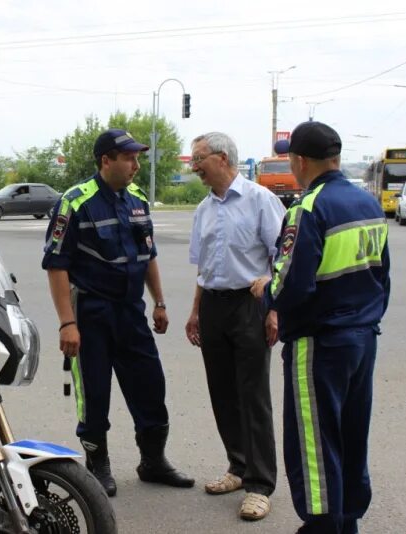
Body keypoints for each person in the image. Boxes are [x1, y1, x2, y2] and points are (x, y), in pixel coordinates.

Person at [251, 122, 390, 534]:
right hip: (362, 337)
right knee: (350, 435)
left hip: (319, 342)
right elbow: (384, 276)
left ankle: (322, 526)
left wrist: (265, 290)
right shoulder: (367, 204)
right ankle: (347, 521)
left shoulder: (308, 209)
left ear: (298, 160)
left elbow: (292, 284)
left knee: (314, 441)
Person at [42, 128, 194, 497]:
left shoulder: (138, 199)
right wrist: (67, 323)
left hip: (131, 313)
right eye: (128, 158)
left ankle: (153, 461)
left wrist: (158, 301)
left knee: (151, 388)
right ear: (105, 160)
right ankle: (98, 464)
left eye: (137, 158)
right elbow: (56, 265)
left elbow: (149, 255)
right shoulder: (75, 202)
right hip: (90, 315)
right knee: (94, 395)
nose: (135, 166)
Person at [185, 132, 284, 520]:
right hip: (213, 305)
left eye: (198, 159)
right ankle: (238, 467)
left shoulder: (262, 201)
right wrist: (195, 311)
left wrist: (274, 309)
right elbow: (203, 267)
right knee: (222, 392)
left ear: (222, 158)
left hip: (251, 305)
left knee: (253, 395)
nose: (194, 167)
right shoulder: (203, 209)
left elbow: (282, 256)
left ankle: (261, 484)